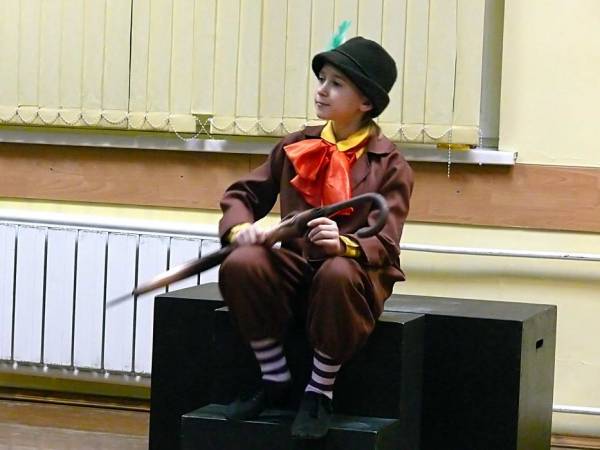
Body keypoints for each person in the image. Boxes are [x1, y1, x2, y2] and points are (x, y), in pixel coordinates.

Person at [217, 36, 414, 440]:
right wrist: (241, 229)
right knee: (242, 263)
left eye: (336, 84)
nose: (321, 90)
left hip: (351, 275)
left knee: (337, 272)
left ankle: (319, 391)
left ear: (366, 102)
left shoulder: (391, 164)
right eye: (321, 79)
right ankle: (274, 377)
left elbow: (386, 242)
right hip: (295, 265)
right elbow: (242, 195)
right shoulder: (295, 145)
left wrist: (343, 244)